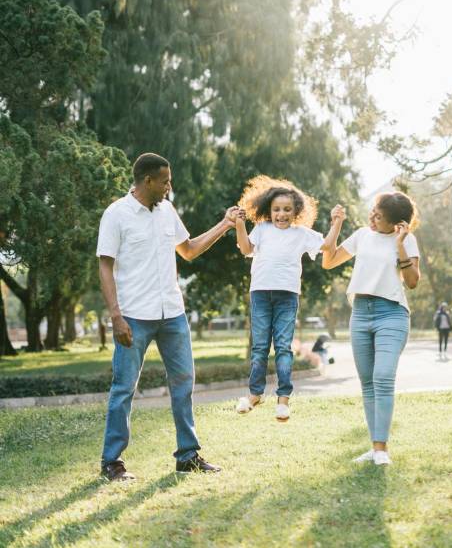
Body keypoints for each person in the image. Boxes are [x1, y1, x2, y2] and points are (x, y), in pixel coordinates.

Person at [97, 152, 239, 481]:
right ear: (147, 180)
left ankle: (187, 456)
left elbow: (188, 249)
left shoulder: (167, 211)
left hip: (172, 313)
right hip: (133, 316)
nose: (169, 186)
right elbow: (104, 265)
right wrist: (116, 316)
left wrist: (225, 224)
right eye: (165, 181)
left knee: (183, 384)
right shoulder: (117, 214)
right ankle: (112, 461)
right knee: (123, 388)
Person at [322, 191, 420, 466]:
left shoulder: (407, 239)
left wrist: (400, 244)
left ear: (397, 224)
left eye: (379, 216)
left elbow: (412, 281)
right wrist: (337, 224)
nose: (373, 218)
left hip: (392, 313)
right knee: (368, 384)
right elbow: (328, 262)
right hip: (361, 313)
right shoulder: (363, 235)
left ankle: (381, 449)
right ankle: (375, 447)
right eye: (373, 212)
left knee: (383, 376)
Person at [233, 175, 343, 422]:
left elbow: (326, 245)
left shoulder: (301, 234)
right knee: (260, 347)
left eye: (287, 210)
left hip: (287, 296)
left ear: (296, 212)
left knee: (283, 347)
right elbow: (246, 249)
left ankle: (283, 401)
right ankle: (254, 395)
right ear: (268, 211)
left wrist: (337, 222)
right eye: (276, 210)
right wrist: (239, 225)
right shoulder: (261, 229)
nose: (281, 214)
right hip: (260, 293)